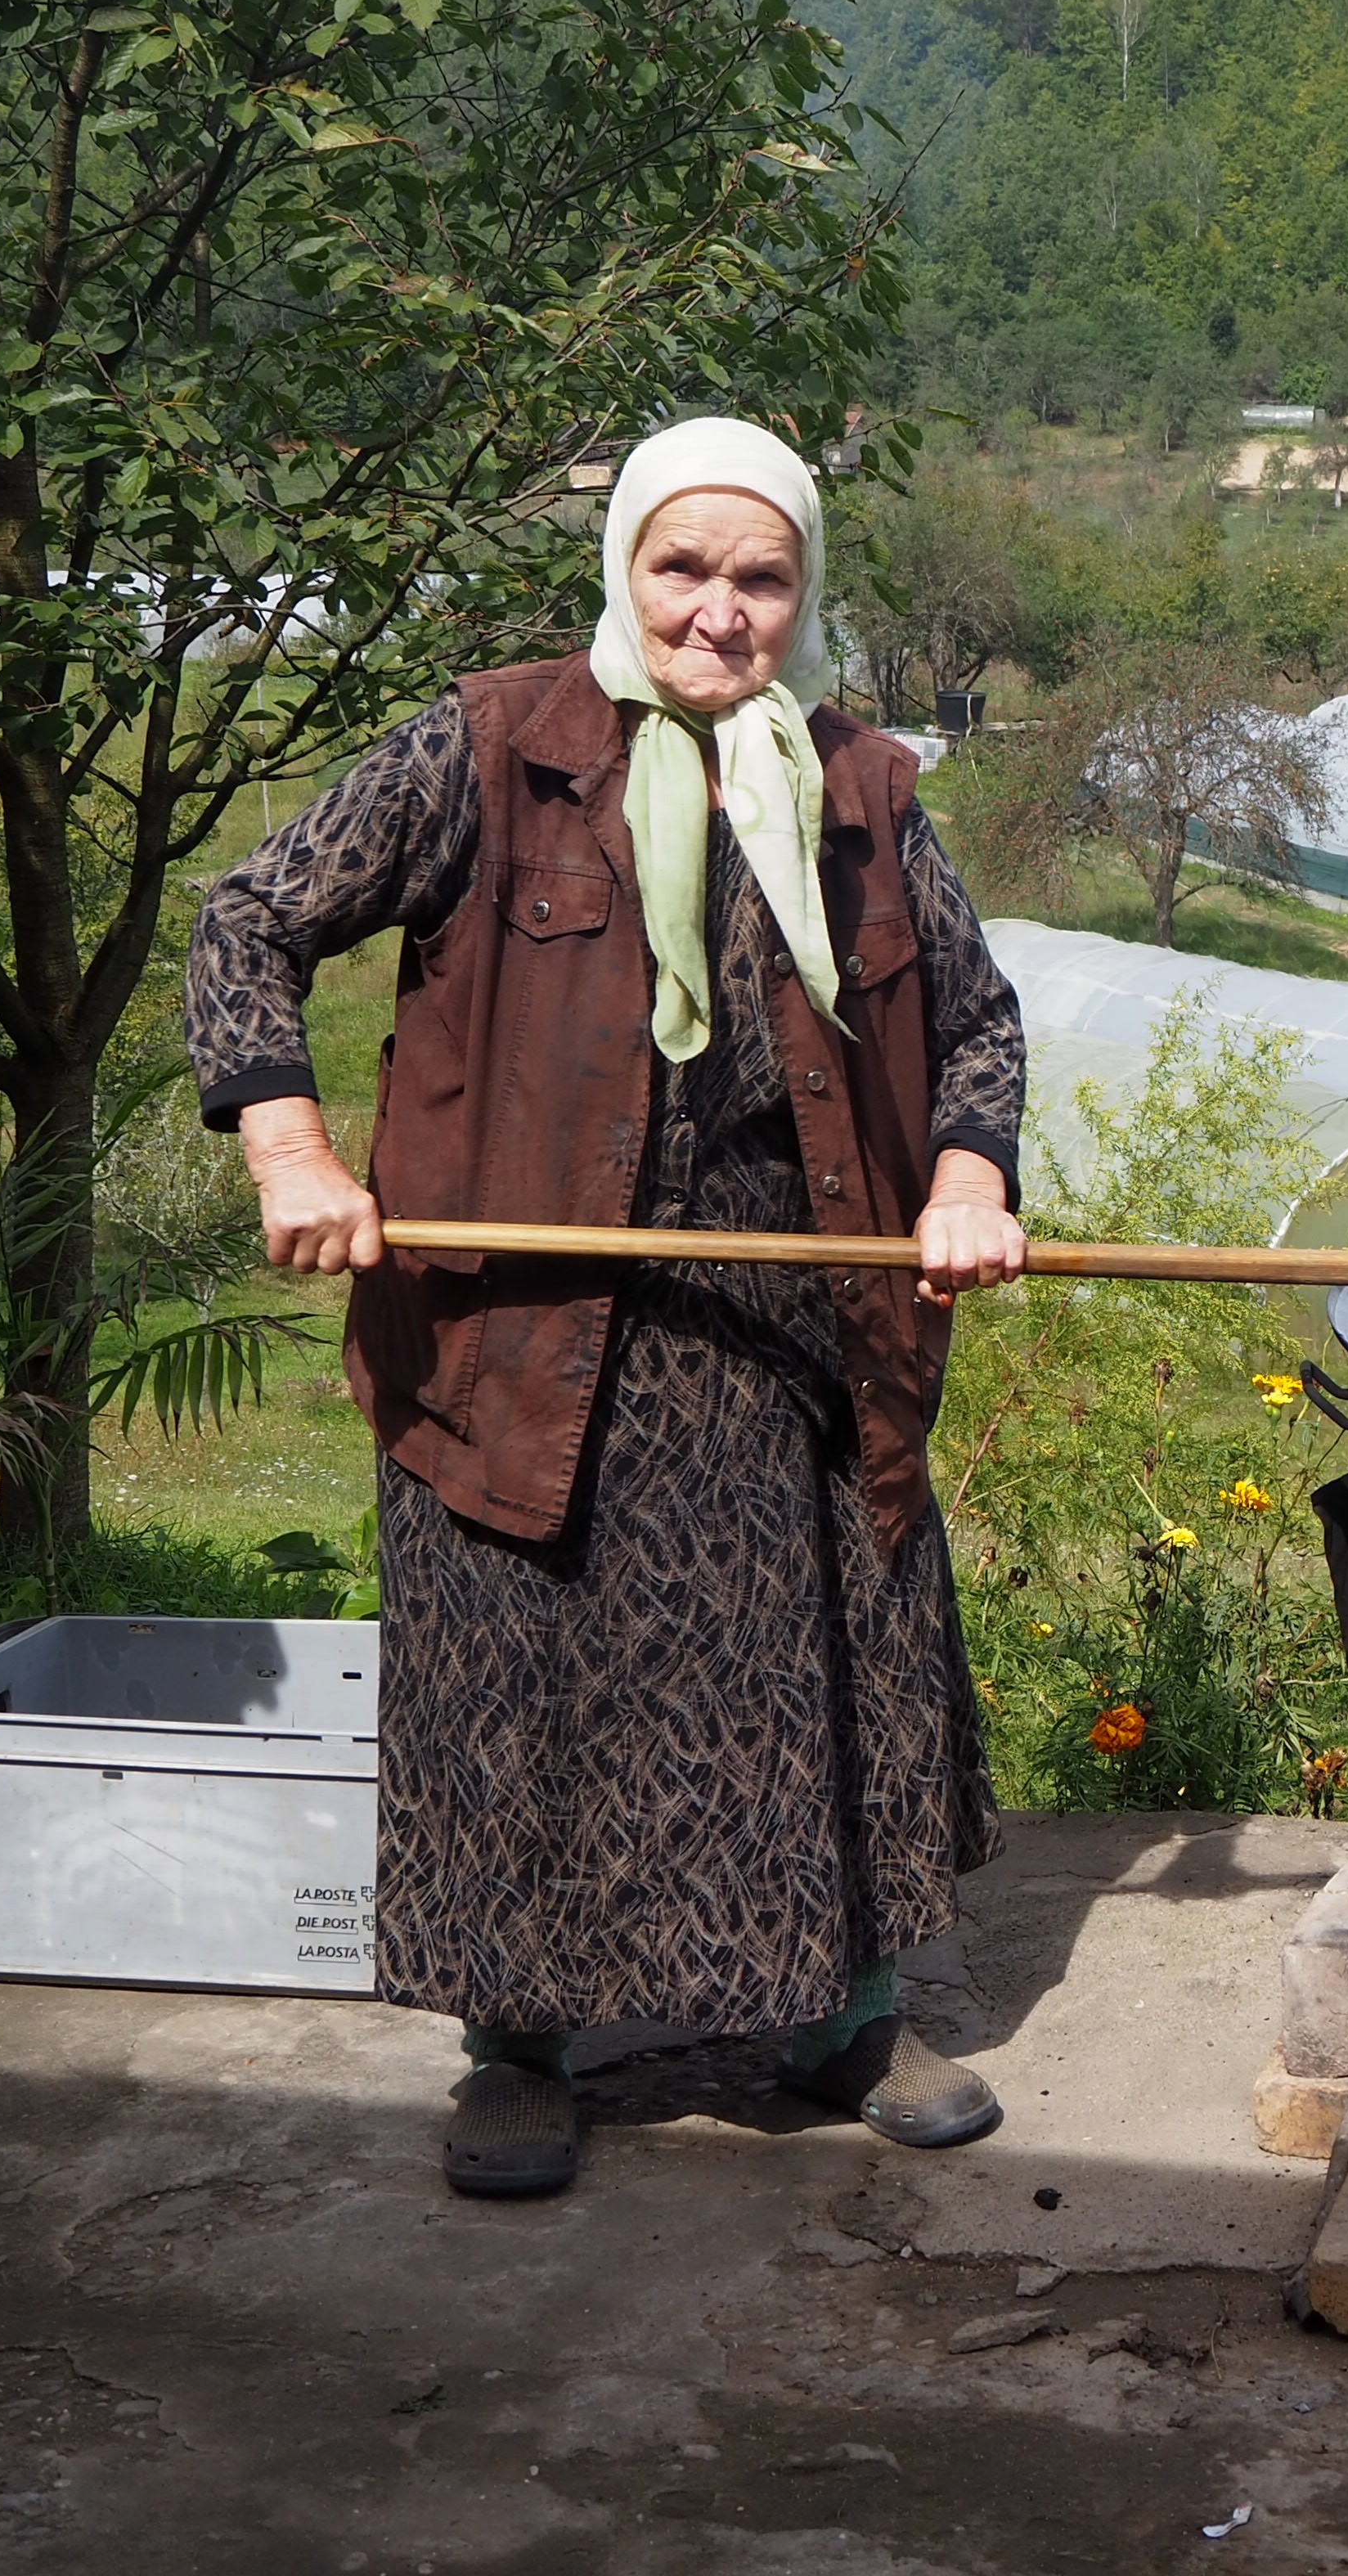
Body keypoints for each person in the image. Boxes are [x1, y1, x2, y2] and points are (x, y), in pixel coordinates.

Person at [185, 416, 1030, 2197]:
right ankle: (519, 2043)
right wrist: (290, 1151)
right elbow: (249, 920)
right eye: (685, 569)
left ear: (804, 597)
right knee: (528, 1688)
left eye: (762, 580)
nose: (721, 614)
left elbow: (980, 1021)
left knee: (817, 1675)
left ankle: (844, 2017)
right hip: (527, 1337)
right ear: (624, 566)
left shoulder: (865, 789)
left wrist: (966, 1180)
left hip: (801, 1329)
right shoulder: (489, 748)